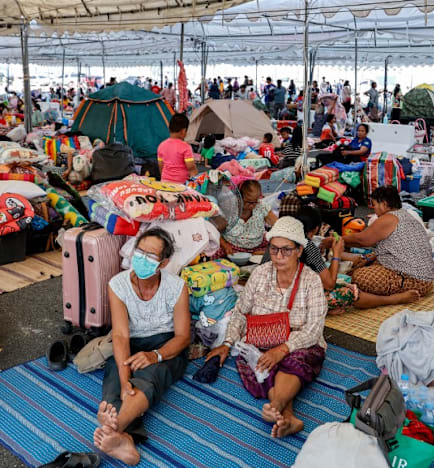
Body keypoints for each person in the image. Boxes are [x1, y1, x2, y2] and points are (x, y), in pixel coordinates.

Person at [206, 216, 327, 438]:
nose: (279, 256)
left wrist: (282, 349)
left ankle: (276, 405)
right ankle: (287, 416)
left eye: (286, 250)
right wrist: (227, 343)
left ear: (300, 250)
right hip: (261, 342)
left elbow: (313, 330)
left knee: (293, 361)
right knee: (260, 362)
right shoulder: (260, 274)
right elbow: (241, 312)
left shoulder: (311, 280)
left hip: (299, 344)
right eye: (274, 249)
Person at [94, 228, 190, 465]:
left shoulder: (177, 287)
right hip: (132, 342)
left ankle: (113, 428)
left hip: (166, 345)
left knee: (149, 378)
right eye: (140, 252)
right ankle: (122, 437)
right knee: (116, 381)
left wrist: (156, 355)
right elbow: (120, 335)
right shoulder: (117, 284)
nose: (142, 259)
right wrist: (125, 378)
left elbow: (183, 336)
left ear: (164, 262)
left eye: (151, 256)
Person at [262, 206, 421, 314]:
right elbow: (329, 284)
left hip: (266, 298)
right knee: (349, 292)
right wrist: (336, 253)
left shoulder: (276, 239)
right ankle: (393, 299)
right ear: (315, 229)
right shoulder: (308, 246)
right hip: (289, 304)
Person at [324, 186, 434, 297]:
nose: (374, 209)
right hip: (425, 278)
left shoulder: (389, 218)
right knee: (368, 259)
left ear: (384, 204)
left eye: (375, 204)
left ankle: (400, 297)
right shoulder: (405, 215)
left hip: (415, 282)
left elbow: (362, 240)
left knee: (359, 277)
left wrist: (337, 240)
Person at [220, 180, 278, 254]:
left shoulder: (261, 207)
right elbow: (215, 231)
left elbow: (278, 225)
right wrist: (225, 246)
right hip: (232, 247)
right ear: (238, 197)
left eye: (255, 201)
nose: (252, 205)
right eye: (248, 202)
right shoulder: (228, 209)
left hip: (258, 246)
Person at [157, 113, 197, 184]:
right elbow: (191, 168)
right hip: (181, 185)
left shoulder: (161, 145)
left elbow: (161, 166)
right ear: (183, 131)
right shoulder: (186, 147)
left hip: (164, 183)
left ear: (169, 129)